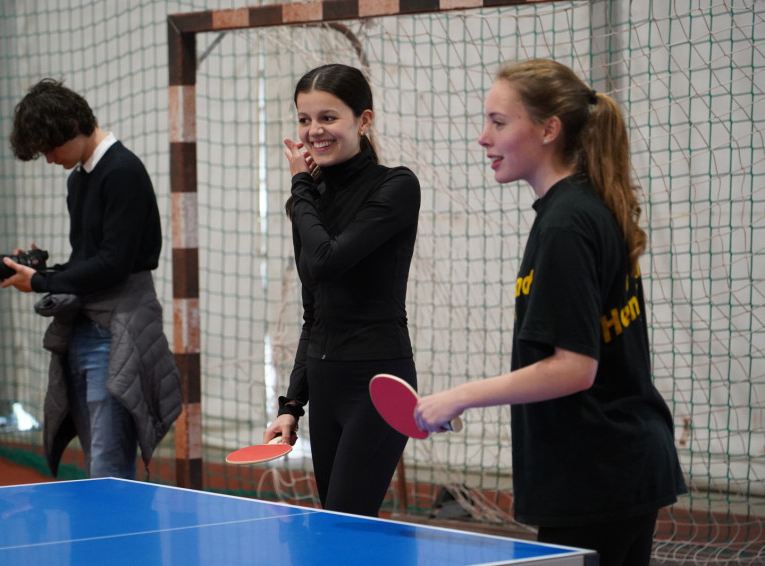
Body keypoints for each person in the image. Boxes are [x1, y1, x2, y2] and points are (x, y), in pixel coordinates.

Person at [414, 59, 686, 564]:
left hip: (598, 473)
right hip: (614, 468)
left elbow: (574, 367)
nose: (483, 137)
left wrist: (458, 397)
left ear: (548, 129)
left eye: (499, 122)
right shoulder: (580, 209)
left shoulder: (567, 224)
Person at [0, 79, 182, 480]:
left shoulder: (122, 171)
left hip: (117, 329)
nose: (50, 159)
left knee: (107, 464)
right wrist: (43, 271)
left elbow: (114, 265)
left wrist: (42, 282)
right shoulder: (79, 178)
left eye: (51, 148)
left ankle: (120, 523)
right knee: (97, 459)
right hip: (85, 328)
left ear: (72, 125)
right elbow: (89, 261)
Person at [263, 64, 421, 517]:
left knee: (348, 522)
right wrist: (292, 404)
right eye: (304, 119)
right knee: (335, 524)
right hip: (325, 383)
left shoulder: (396, 186)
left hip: (377, 382)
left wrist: (300, 187)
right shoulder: (308, 200)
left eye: (328, 117)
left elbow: (326, 262)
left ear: (363, 121)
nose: (314, 130)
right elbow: (314, 313)